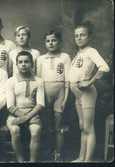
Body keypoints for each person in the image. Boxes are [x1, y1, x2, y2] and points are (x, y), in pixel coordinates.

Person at [68, 21, 110, 162]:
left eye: (82, 35)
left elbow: (104, 67)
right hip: (77, 95)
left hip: (87, 94)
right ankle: (81, 158)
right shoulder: (79, 53)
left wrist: (89, 82)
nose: (79, 38)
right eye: (76, 35)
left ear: (89, 37)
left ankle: (88, 160)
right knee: (82, 127)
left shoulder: (91, 51)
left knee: (88, 127)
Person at [36, 30, 71, 161]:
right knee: (45, 124)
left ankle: (58, 153)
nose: (50, 43)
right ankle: (47, 151)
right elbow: (38, 80)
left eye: (54, 40)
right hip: (44, 93)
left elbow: (67, 79)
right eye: (48, 41)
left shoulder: (65, 57)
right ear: (45, 43)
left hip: (60, 93)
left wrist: (65, 99)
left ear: (60, 42)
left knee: (58, 125)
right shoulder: (41, 59)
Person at [6, 51, 45, 162]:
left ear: (32, 64)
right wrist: (22, 117)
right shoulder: (11, 81)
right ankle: (21, 161)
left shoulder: (38, 81)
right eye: (20, 62)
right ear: (16, 65)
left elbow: (41, 104)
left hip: (33, 114)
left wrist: (26, 118)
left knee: (36, 130)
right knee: (14, 130)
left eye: (26, 62)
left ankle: (33, 161)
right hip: (15, 114)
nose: (23, 64)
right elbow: (10, 106)